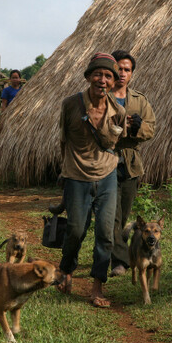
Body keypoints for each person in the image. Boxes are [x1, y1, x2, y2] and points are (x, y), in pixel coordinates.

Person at [56, 52, 127, 308]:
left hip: (107, 175)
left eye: (108, 76)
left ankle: (97, 286)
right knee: (75, 230)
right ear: (88, 77)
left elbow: (116, 144)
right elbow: (63, 141)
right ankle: (66, 270)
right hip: (76, 175)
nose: (103, 80)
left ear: (113, 82)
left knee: (105, 233)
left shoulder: (118, 111)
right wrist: (65, 174)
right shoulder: (70, 105)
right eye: (98, 74)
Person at [109, 50, 155, 277]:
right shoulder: (101, 96)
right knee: (113, 216)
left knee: (123, 215)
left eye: (127, 70)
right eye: (119, 68)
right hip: (105, 162)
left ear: (132, 74)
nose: (122, 73)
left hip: (130, 165)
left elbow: (151, 129)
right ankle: (119, 261)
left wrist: (137, 126)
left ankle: (118, 247)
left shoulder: (139, 100)